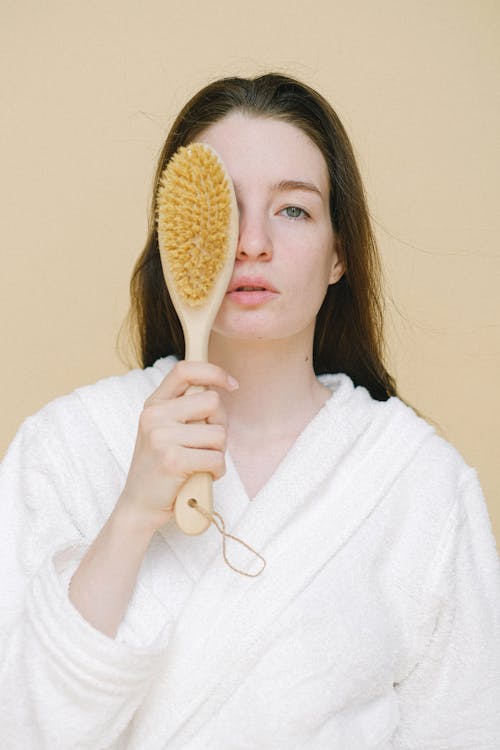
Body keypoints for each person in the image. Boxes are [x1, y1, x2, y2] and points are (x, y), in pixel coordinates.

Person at [1, 73, 499, 749]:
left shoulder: (418, 484)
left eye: (293, 210)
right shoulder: (65, 447)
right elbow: (22, 725)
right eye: (223, 211)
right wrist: (132, 517)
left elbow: (467, 727)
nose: (252, 243)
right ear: (177, 239)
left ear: (339, 254)